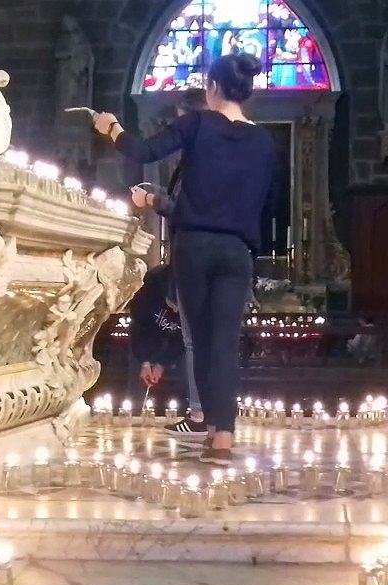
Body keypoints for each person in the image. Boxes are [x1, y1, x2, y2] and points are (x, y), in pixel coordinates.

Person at [96, 53, 277, 465]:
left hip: (194, 246)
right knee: (224, 344)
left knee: (200, 339)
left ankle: (209, 424)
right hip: (237, 251)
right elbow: (270, 203)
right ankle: (223, 436)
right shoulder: (264, 142)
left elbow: (143, 152)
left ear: (212, 88)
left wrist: (113, 129)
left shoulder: (197, 123)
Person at [130, 88, 209, 436]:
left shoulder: (202, 160)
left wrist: (150, 199)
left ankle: (200, 415)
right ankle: (212, 419)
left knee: (197, 341)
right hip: (208, 255)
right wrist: (153, 360)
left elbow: (184, 209)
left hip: (196, 257)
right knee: (204, 341)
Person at [127, 265, 190, 412]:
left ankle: (191, 410)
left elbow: (183, 339)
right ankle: (135, 412)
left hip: (177, 342)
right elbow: (139, 328)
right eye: (172, 304)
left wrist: (162, 364)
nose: (176, 310)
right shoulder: (149, 292)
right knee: (139, 380)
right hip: (146, 333)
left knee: (188, 371)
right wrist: (145, 362)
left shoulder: (193, 302)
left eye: (180, 307)